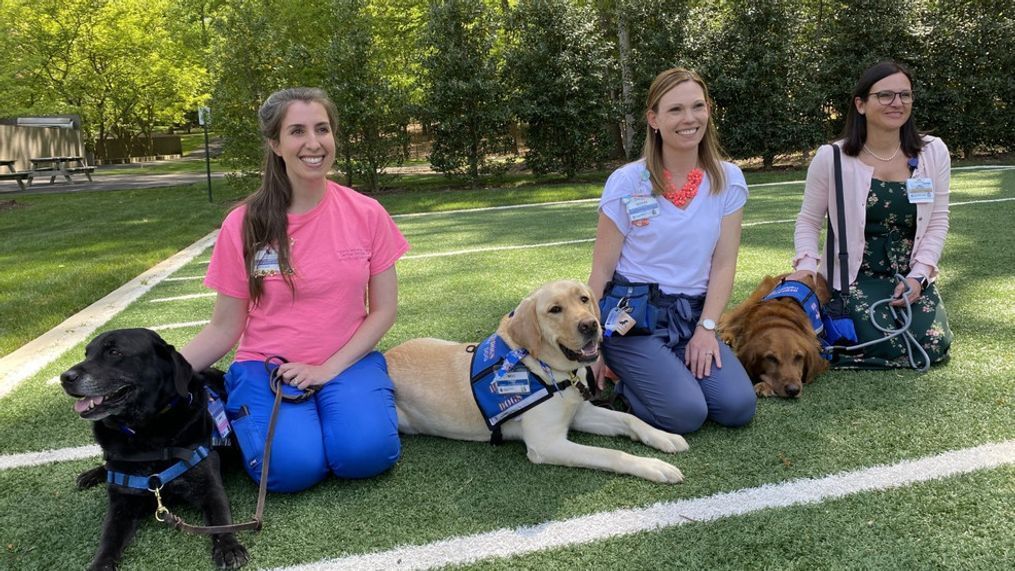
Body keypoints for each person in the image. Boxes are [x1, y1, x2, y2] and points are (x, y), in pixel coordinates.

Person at [181, 87, 409, 493]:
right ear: (275, 143)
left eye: (322, 129)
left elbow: (383, 311)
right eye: (297, 131)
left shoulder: (367, 213)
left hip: (347, 361)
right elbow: (224, 328)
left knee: (366, 455)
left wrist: (326, 370)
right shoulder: (245, 223)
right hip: (267, 367)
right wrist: (165, 374)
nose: (313, 143)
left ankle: (340, 414)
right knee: (291, 470)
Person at [588, 68, 756, 435]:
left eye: (697, 106)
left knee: (737, 407)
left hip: (692, 317)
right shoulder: (628, 181)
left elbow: (724, 263)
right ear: (654, 119)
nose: (689, 119)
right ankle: (627, 382)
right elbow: (601, 270)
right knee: (686, 415)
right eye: (675, 110)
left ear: (709, 111)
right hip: (634, 318)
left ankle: (666, 375)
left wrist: (707, 329)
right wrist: (594, 345)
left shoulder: (727, 179)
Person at [788, 61, 952, 369]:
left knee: (931, 342)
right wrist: (807, 268)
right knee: (872, 338)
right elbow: (808, 221)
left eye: (905, 95)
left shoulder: (933, 153)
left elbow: (939, 220)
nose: (897, 103)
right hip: (852, 280)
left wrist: (919, 277)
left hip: (909, 278)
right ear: (861, 104)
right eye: (886, 95)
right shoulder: (832, 158)